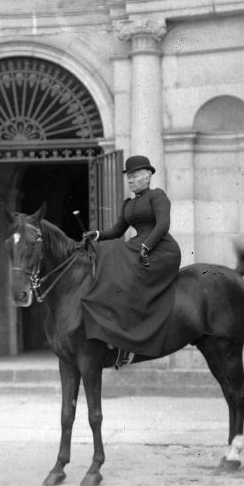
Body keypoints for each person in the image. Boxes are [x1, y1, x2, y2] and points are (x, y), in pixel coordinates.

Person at [80, 155, 182, 368]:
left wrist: (147, 246)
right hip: (137, 247)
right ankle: (117, 336)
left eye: (135, 176)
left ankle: (133, 339)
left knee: (119, 266)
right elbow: (118, 231)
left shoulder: (158, 196)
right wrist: (97, 234)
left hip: (161, 249)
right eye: (129, 177)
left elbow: (163, 225)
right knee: (109, 258)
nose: (131, 181)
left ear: (147, 176)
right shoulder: (128, 204)